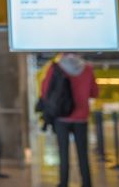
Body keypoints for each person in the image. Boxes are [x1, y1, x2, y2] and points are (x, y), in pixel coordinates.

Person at [40, 53, 99, 187]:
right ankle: (86, 183)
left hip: (61, 117)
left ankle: (63, 183)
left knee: (63, 153)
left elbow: (45, 90)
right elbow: (95, 92)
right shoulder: (88, 69)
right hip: (81, 117)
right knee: (83, 154)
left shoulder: (56, 67)